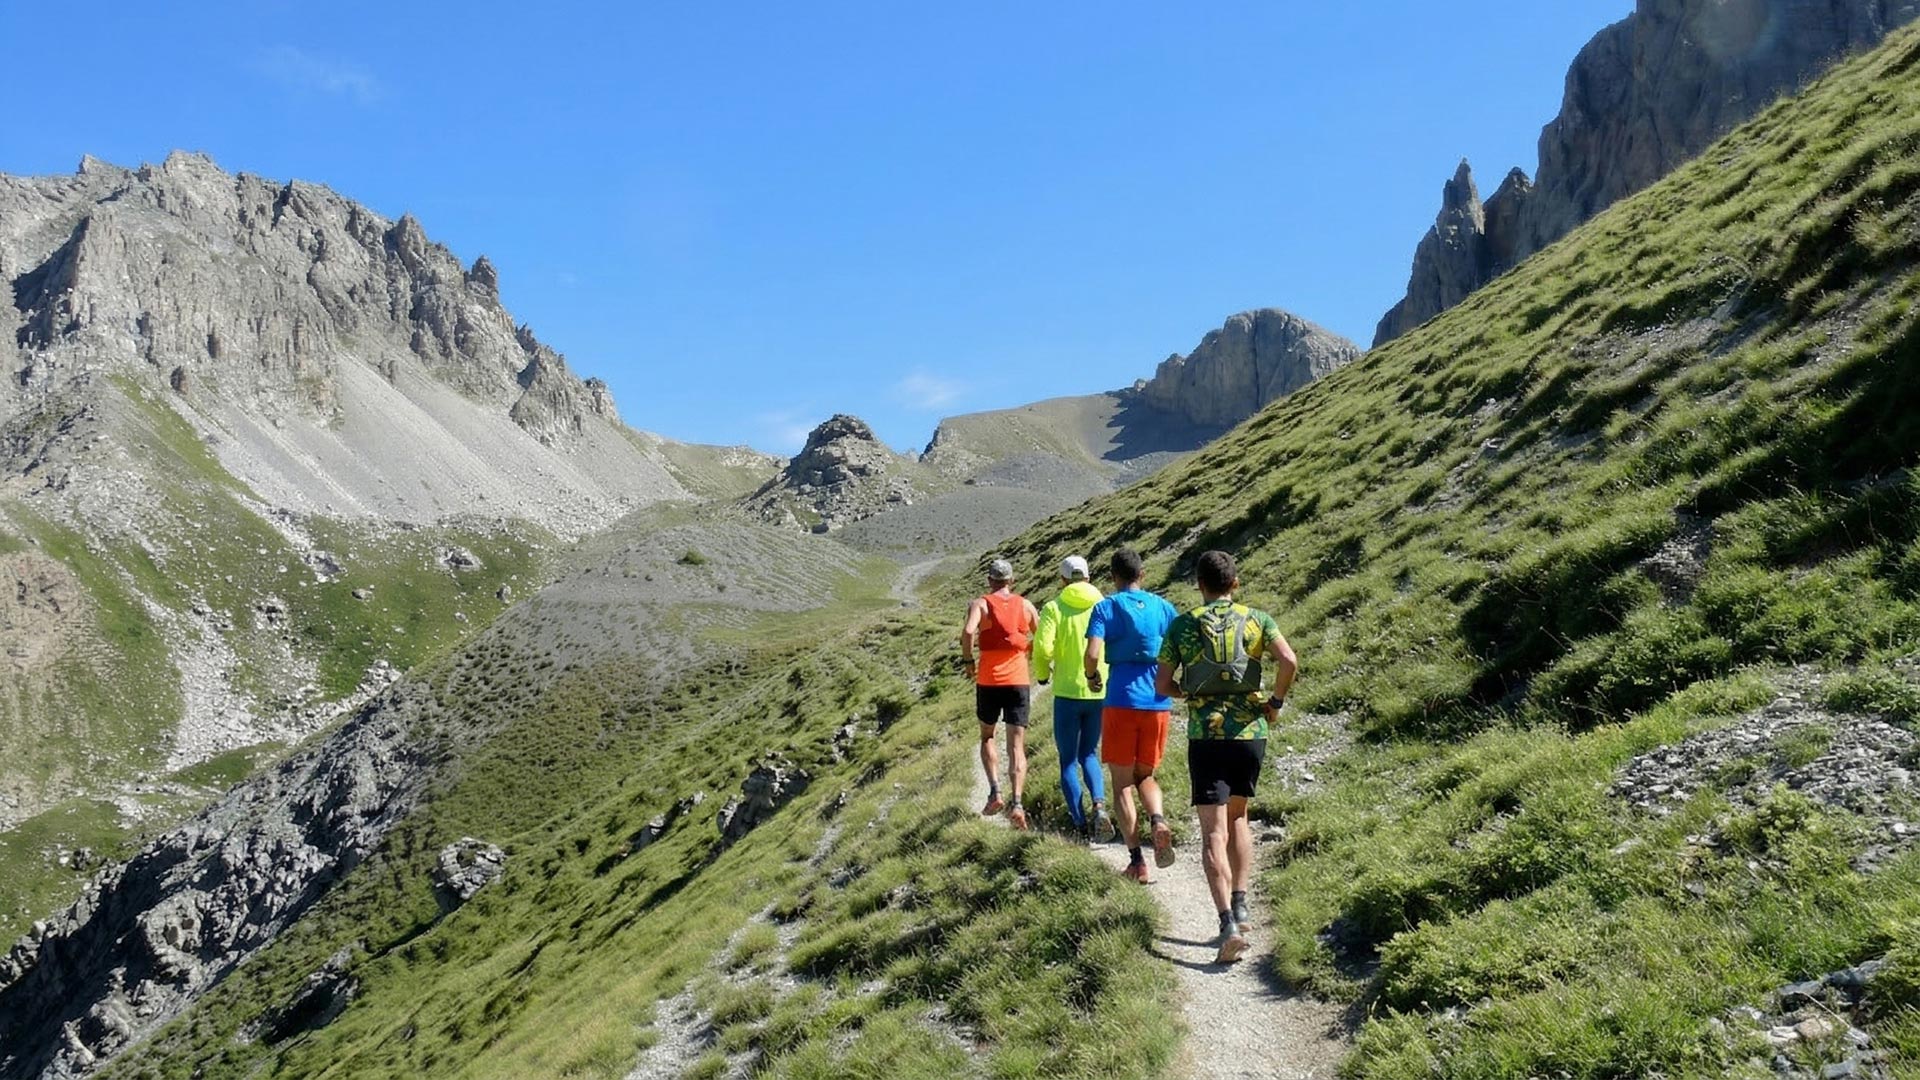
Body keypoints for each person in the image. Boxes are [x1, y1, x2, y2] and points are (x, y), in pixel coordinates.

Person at [1155, 549, 1297, 964]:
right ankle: (1242, 903)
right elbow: (1288, 660)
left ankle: (1226, 926)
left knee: (1212, 831)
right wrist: (1275, 702)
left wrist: (1190, 694)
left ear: (1199, 585)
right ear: (1234, 583)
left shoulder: (1182, 625)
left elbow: (1163, 684)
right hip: (1251, 733)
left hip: (1206, 736)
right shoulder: (1258, 619)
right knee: (1239, 817)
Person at [1084, 547, 1179, 882]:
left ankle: (1137, 861)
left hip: (1121, 701)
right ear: (1142, 575)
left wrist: (1093, 678)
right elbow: (1180, 649)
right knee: (1146, 776)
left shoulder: (1106, 607)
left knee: (1122, 784)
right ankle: (1158, 819)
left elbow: (1093, 654)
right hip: (1157, 702)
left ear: (1113, 577)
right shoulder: (1164, 607)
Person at [1032, 555, 1110, 842]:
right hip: (1098, 690)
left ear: (1063, 580)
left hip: (1067, 693)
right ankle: (1100, 805)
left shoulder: (1054, 607)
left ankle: (1080, 826)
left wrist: (1043, 675)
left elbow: (1042, 648)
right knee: (1089, 753)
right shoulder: (1104, 605)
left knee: (1067, 761)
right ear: (1088, 578)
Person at [961, 557, 1039, 829]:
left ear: (989, 580)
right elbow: (1040, 638)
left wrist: (969, 662)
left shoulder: (980, 604)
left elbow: (969, 631)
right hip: (1018, 681)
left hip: (989, 681)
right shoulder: (1026, 605)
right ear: (1011, 581)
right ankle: (1017, 804)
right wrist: (1027, 653)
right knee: (1017, 745)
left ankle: (995, 791)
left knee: (987, 736)